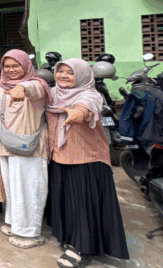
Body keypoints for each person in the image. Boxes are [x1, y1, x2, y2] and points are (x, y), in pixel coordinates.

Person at [46, 59, 129, 267]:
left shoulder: (90, 94)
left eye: (69, 73)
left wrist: (78, 112)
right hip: (58, 155)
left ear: (81, 76)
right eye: (60, 71)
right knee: (66, 201)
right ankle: (70, 236)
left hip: (85, 158)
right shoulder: (53, 94)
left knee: (82, 204)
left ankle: (82, 248)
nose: (63, 76)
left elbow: (87, 107)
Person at [0, 50, 51, 249]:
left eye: (16, 65)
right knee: (12, 189)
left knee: (29, 190)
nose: (11, 70)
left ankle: (30, 233)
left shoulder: (37, 84)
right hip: (5, 145)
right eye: (7, 66)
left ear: (26, 66)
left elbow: (32, 89)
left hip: (28, 147)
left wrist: (21, 88)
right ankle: (14, 223)